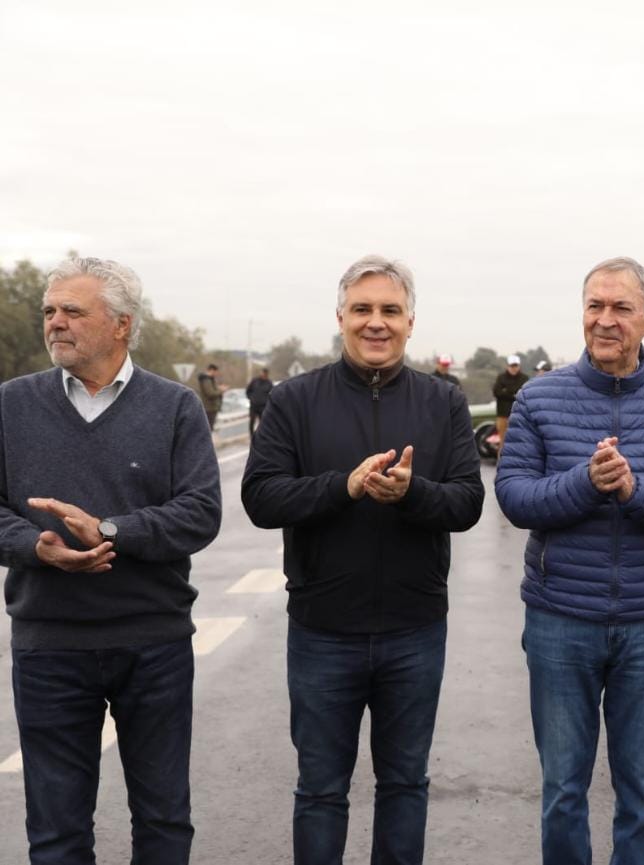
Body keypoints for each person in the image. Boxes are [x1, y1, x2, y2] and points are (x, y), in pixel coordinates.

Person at [241, 254, 484, 865]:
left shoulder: (442, 401)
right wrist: (341, 488)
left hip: (415, 628)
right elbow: (260, 496)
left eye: (390, 311)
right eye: (363, 310)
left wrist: (412, 494)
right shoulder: (295, 400)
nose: (376, 323)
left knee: (405, 784)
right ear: (341, 318)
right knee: (321, 790)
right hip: (323, 630)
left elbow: (468, 502)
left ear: (409, 322)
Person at [495, 256, 644, 865]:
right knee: (563, 789)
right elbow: (515, 497)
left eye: (621, 308)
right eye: (595, 306)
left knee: (642, 791)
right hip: (559, 618)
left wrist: (633, 490)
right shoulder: (538, 399)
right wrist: (586, 481)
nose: (605, 320)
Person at [0, 256, 222, 865]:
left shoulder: (175, 407)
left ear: (121, 325)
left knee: (163, 821)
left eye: (73, 310)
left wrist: (110, 530)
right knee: (56, 832)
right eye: (49, 311)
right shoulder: (10, 405)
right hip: (49, 645)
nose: (56, 323)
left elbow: (201, 513)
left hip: (154, 643)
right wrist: (37, 547)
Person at [492, 354, 527, 452]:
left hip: (519, 415)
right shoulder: (501, 378)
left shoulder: (524, 378)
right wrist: (513, 394)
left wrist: (506, 391)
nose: (514, 368)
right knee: (503, 443)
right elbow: (497, 392)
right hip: (503, 415)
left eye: (515, 366)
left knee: (519, 442)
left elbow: (523, 394)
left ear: (519, 366)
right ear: (508, 366)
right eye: (512, 366)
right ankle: (501, 465)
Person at [196, 362, 227, 429]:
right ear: (212, 370)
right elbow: (210, 393)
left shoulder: (209, 380)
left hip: (211, 407)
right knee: (208, 428)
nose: (216, 374)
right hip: (209, 407)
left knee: (209, 427)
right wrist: (221, 391)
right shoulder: (206, 380)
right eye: (216, 372)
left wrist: (218, 388)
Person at [246, 367, 274, 439]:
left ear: (267, 374)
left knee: (262, 422)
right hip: (254, 405)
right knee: (252, 421)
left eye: (265, 373)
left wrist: (267, 402)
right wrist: (251, 398)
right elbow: (248, 391)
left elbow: (272, 395)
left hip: (263, 406)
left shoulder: (269, 383)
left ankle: (262, 436)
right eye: (262, 373)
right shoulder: (254, 381)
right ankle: (252, 436)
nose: (263, 375)